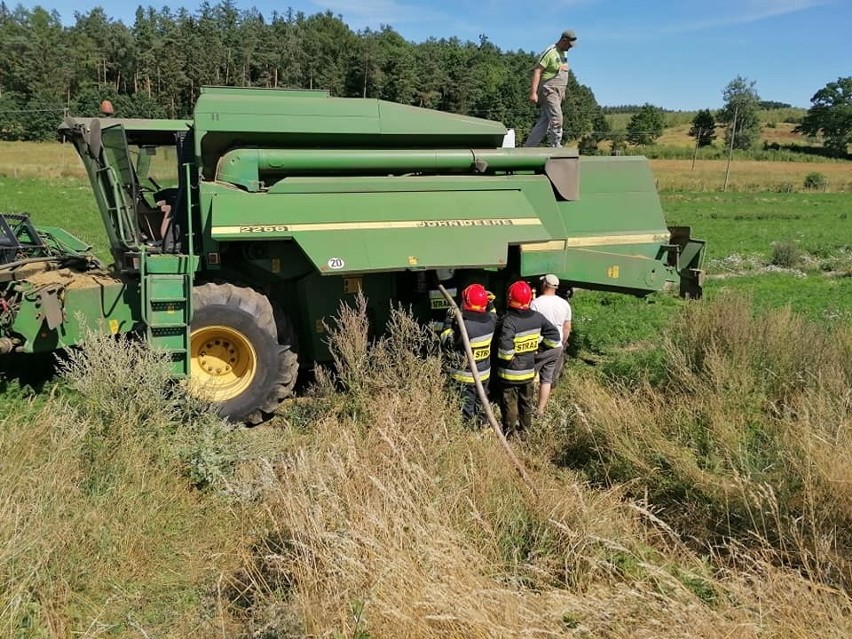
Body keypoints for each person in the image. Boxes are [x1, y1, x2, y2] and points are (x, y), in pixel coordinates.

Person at [495, 280, 561, 436]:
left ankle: (510, 434)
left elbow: (505, 353)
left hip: (509, 374)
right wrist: (539, 347)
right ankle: (526, 432)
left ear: (510, 298)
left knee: (510, 404)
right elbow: (554, 337)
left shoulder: (509, 321)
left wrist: (511, 355)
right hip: (528, 372)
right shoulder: (537, 317)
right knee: (526, 403)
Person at [440, 283, 497, 423]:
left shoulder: (464, 326)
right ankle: (482, 427)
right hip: (484, 375)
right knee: (481, 404)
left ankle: (469, 433)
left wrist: (448, 320)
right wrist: (489, 302)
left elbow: (447, 343)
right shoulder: (492, 321)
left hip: (465, 377)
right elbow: (493, 312)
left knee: (466, 409)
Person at [523, 29, 578, 148]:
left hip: (558, 92)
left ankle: (528, 147)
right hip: (549, 90)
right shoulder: (550, 52)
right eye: (569, 45)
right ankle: (556, 146)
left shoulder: (564, 53)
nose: (570, 47)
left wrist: (562, 91)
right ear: (563, 40)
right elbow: (537, 70)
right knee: (557, 118)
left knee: (545, 122)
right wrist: (533, 93)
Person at [530, 274, 573, 415]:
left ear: (544, 285)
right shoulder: (564, 304)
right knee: (547, 379)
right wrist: (562, 342)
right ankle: (540, 410)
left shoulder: (536, 303)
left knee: (529, 376)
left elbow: (531, 326)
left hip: (539, 346)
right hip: (556, 346)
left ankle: (526, 405)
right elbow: (567, 327)